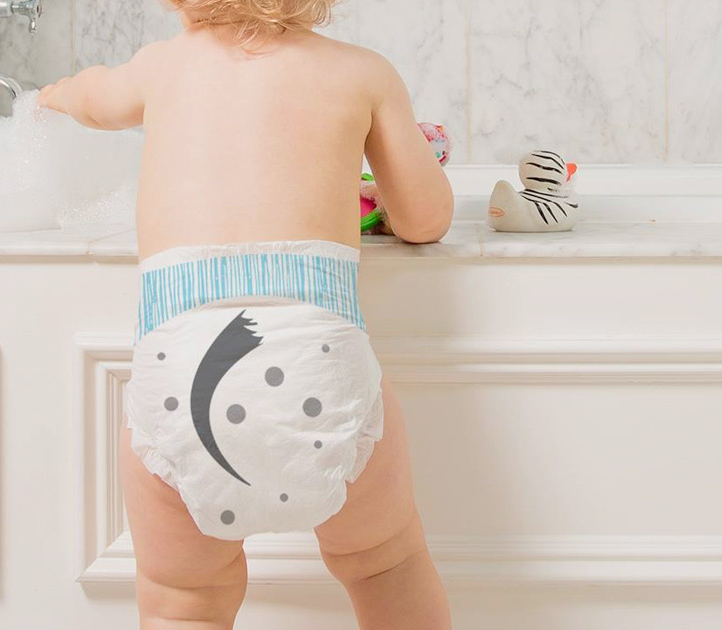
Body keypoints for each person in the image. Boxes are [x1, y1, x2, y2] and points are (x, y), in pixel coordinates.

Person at [40, 1, 453, 628]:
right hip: (318, 370)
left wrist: (54, 95)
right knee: (383, 564)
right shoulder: (363, 74)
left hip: (182, 379)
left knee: (186, 600)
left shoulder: (159, 68)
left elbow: (93, 99)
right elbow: (427, 220)